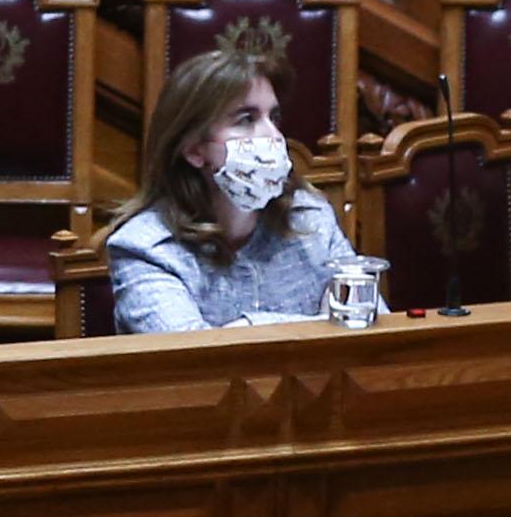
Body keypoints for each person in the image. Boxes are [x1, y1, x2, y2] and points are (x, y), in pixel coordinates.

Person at [103, 36, 354, 334]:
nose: (273, 135)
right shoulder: (146, 248)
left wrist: (233, 330)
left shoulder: (311, 218)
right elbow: (197, 361)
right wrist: (323, 325)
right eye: (246, 119)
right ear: (195, 150)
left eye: (273, 117)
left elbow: (368, 327)